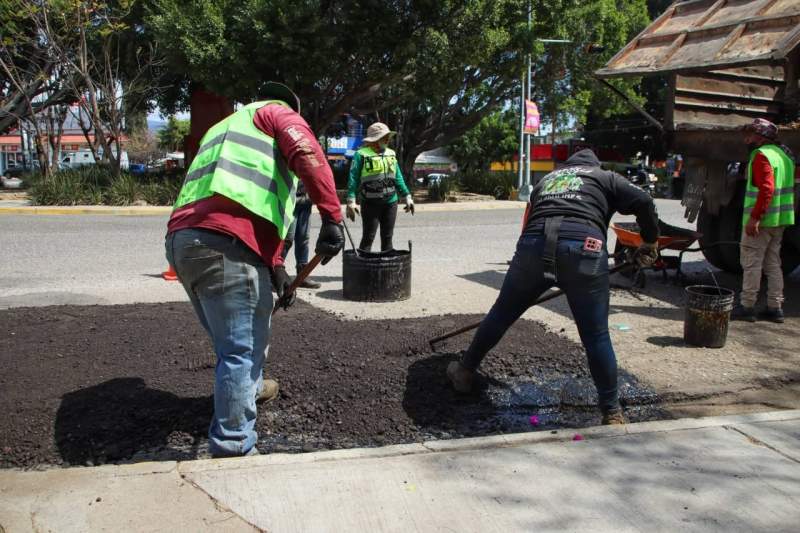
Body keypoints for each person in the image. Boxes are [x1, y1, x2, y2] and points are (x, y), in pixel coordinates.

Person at [164, 82, 345, 457]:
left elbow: (246, 195)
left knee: (237, 333)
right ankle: (234, 446)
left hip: (185, 242)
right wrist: (332, 216)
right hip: (226, 244)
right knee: (238, 351)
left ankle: (252, 386)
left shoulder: (225, 127)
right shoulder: (277, 114)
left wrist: (276, 267)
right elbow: (308, 154)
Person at [446, 148, 659, 425]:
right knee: (596, 335)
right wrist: (650, 241)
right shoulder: (605, 177)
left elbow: (528, 223)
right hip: (584, 249)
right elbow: (644, 200)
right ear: (594, 165)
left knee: (501, 314)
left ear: (567, 165)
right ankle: (611, 411)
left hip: (533, 247)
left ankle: (464, 372)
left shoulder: (547, 181)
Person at [732, 118, 795, 323]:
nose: (746, 138)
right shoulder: (784, 155)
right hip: (779, 220)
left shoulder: (761, 156)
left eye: (750, 134)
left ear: (760, 137)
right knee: (773, 263)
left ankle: (747, 306)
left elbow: (766, 189)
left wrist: (755, 218)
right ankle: (775, 307)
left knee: (751, 262)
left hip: (763, 221)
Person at [346, 122, 414, 251]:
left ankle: (386, 269)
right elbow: (353, 178)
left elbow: (397, 176)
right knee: (368, 238)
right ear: (375, 140)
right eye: (384, 137)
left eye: (388, 136)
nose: (388, 139)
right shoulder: (361, 155)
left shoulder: (391, 154)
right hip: (370, 203)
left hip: (391, 202)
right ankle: (364, 270)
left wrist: (407, 196)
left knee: (388, 238)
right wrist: (351, 200)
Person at [281, 180, 321, 288]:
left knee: (303, 238)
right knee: (287, 239)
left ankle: (302, 276)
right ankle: (276, 274)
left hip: (306, 199)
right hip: (290, 199)